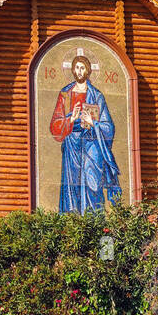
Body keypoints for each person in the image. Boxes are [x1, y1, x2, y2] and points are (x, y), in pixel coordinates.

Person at [49, 55, 121, 211]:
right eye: (77, 68)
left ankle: (93, 221)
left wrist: (93, 123)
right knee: (72, 184)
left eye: (82, 68)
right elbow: (55, 126)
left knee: (92, 184)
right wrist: (71, 119)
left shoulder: (96, 95)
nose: (79, 71)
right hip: (71, 146)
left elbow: (108, 127)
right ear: (73, 70)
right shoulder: (65, 94)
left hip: (91, 144)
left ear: (87, 70)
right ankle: (71, 220)